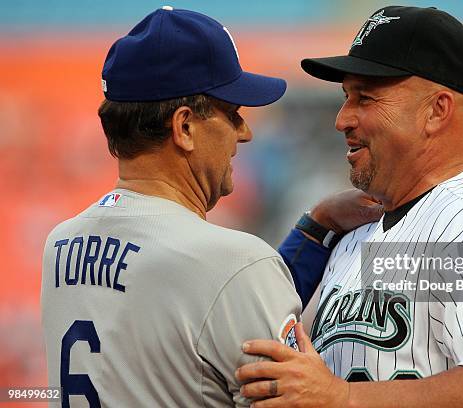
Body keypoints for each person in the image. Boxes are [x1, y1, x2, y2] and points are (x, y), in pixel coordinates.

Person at [236, 6, 463, 407]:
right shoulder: (354, 232)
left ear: (436, 111)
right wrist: (316, 227)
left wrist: (342, 397)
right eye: (345, 97)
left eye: (366, 97)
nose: (342, 119)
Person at [41, 7, 311, 407]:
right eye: (233, 113)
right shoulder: (236, 262)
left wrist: (313, 236)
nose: (245, 131)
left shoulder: (59, 244)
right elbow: (222, 284)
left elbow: (197, 299)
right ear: (184, 127)